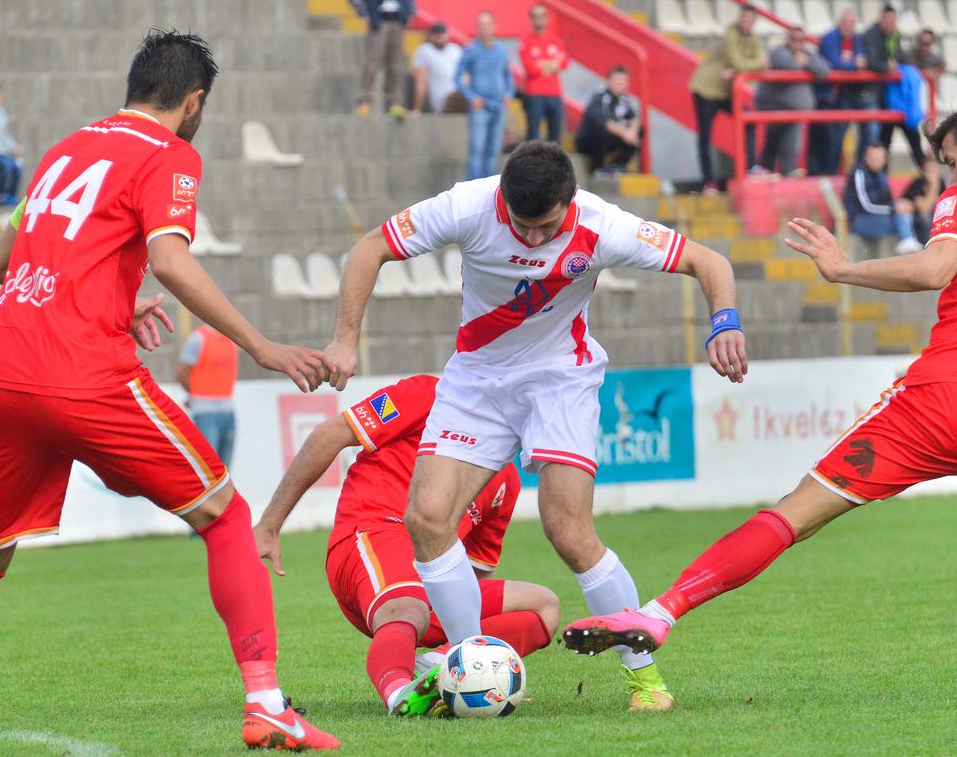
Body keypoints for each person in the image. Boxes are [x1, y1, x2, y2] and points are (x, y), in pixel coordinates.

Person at [564, 100, 957, 703]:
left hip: (934, 406)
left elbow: (934, 268)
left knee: (793, 514)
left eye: (952, 163)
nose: (948, 178)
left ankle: (662, 612)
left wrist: (843, 270)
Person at [0, 30, 341, 752]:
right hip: (80, 375)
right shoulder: (169, 154)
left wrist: (113, 300)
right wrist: (263, 346)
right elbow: (171, 261)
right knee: (226, 516)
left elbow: (0, 261)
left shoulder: (65, 149)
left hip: (2, 372)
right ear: (194, 102)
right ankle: (268, 703)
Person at [320, 140, 749, 711]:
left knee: (568, 532)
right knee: (426, 518)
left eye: (547, 227)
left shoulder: (603, 225)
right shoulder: (467, 206)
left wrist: (724, 321)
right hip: (478, 381)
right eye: (523, 227)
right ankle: (467, 665)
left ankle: (646, 680)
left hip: (559, 381)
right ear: (502, 200)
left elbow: (708, 261)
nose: (535, 240)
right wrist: (345, 338)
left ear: (570, 202)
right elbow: (370, 248)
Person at [253, 374, 559, 717]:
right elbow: (329, 434)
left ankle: (441, 670)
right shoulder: (429, 394)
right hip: (370, 534)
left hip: (427, 579)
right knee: (409, 606)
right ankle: (402, 694)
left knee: (543, 607)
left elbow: (472, 579)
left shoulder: (506, 482)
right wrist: (270, 523)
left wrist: (483, 667)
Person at [689, 4, 765, 193]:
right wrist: (742, 67)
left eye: (750, 19)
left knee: (748, 119)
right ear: (740, 18)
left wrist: (738, 69)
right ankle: (708, 181)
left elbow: (763, 63)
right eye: (744, 18)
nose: (747, 21)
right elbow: (743, 62)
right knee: (705, 136)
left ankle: (751, 166)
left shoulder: (752, 38)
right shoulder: (731, 35)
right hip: (706, 88)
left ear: (754, 21)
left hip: (724, 91)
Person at [756, 26, 829, 178]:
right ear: (787, 39)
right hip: (775, 107)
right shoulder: (778, 52)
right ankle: (771, 172)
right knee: (775, 143)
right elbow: (790, 65)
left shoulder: (806, 54)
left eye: (801, 40)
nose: (797, 43)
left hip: (793, 111)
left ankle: (784, 173)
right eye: (794, 39)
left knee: (786, 144)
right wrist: (806, 65)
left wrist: (806, 62)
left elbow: (825, 70)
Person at [863, 4, 926, 167]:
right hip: (879, 96)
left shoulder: (895, 36)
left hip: (896, 97)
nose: (890, 23)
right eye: (887, 20)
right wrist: (887, 66)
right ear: (881, 19)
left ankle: (930, 178)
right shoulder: (872, 36)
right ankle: (881, 178)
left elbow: (901, 58)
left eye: (893, 20)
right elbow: (871, 62)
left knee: (912, 139)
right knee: (883, 140)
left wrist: (892, 65)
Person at [455, 11, 513, 180]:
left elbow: (508, 75)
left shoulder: (501, 50)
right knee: (477, 148)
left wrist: (508, 93)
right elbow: (457, 78)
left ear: (494, 26)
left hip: (499, 105)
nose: (484, 28)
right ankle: (473, 188)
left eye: (487, 24)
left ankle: (488, 190)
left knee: (494, 150)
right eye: (481, 25)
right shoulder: (471, 49)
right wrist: (472, 97)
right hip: (480, 106)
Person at [350, 0, 414, 119]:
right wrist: (363, 13)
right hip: (378, 24)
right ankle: (364, 102)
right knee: (371, 62)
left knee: (395, 64)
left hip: (397, 22)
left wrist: (409, 12)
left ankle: (393, 103)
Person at [811, 9, 864, 176]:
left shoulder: (857, 40)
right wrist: (854, 65)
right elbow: (833, 63)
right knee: (828, 138)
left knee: (837, 137)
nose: (848, 27)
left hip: (845, 94)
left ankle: (836, 172)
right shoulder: (830, 38)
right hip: (826, 95)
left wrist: (850, 63)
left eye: (851, 24)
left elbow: (863, 59)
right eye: (846, 23)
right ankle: (825, 173)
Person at [177, 323, 238, 466]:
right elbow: (182, 373)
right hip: (205, 413)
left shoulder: (231, 340)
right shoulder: (198, 339)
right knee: (208, 468)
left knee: (225, 471)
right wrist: (196, 394)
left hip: (228, 411)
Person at [843, 143, 922, 253]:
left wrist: (899, 205)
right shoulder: (859, 173)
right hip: (859, 220)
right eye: (873, 157)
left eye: (879, 158)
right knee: (902, 218)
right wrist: (893, 208)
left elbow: (887, 200)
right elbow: (866, 206)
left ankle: (910, 243)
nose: (876, 161)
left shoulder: (881, 174)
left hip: (878, 217)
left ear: (885, 159)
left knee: (915, 217)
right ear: (865, 157)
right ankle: (908, 242)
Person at [573, 65, 643, 176]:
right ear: (609, 80)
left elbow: (634, 118)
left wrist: (632, 131)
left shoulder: (623, 99)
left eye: (623, 80)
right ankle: (597, 168)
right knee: (601, 130)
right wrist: (625, 132)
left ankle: (618, 165)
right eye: (617, 80)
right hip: (588, 142)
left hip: (609, 140)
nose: (620, 83)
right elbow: (603, 122)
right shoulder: (600, 96)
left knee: (639, 131)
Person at [519, 4, 567, 143]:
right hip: (534, 94)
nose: (538, 20)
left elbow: (564, 62)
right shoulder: (526, 41)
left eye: (541, 17)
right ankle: (531, 165)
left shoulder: (555, 40)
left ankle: (552, 166)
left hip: (555, 94)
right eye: (534, 17)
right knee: (533, 137)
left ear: (547, 19)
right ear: (531, 20)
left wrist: (541, 63)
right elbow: (530, 67)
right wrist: (552, 64)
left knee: (555, 138)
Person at [409, 21, 463, 116]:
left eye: (442, 33)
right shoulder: (424, 50)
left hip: (461, 95)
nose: (440, 36)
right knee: (461, 95)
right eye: (436, 34)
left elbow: (467, 76)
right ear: (430, 36)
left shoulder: (455, 49)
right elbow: (420, 82)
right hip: (444, 100)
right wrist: (417, 109)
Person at [902, 157, 945, 244]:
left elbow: (941, 205)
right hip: (915, 218)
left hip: (931, 215)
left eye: (935, 169)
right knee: (926, 218)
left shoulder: (942, 182)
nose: (933, 173)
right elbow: (924, 210)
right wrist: (934, 186)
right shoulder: (918, 183)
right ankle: (928, 246)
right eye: (929, 169)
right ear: (923, 171)